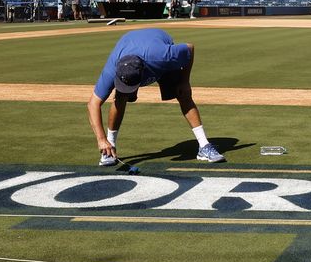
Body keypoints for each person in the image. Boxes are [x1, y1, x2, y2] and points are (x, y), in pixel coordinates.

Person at [88, 27, 224, 166]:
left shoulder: (164, 56)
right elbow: (93, 104)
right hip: (130, 43)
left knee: (182, 93)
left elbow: (189, 48)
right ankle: (110, 147)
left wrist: (185, 81)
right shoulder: (112, 69)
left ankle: (204, 146)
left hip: (157, 43)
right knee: (120, 97)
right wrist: (101, 139)